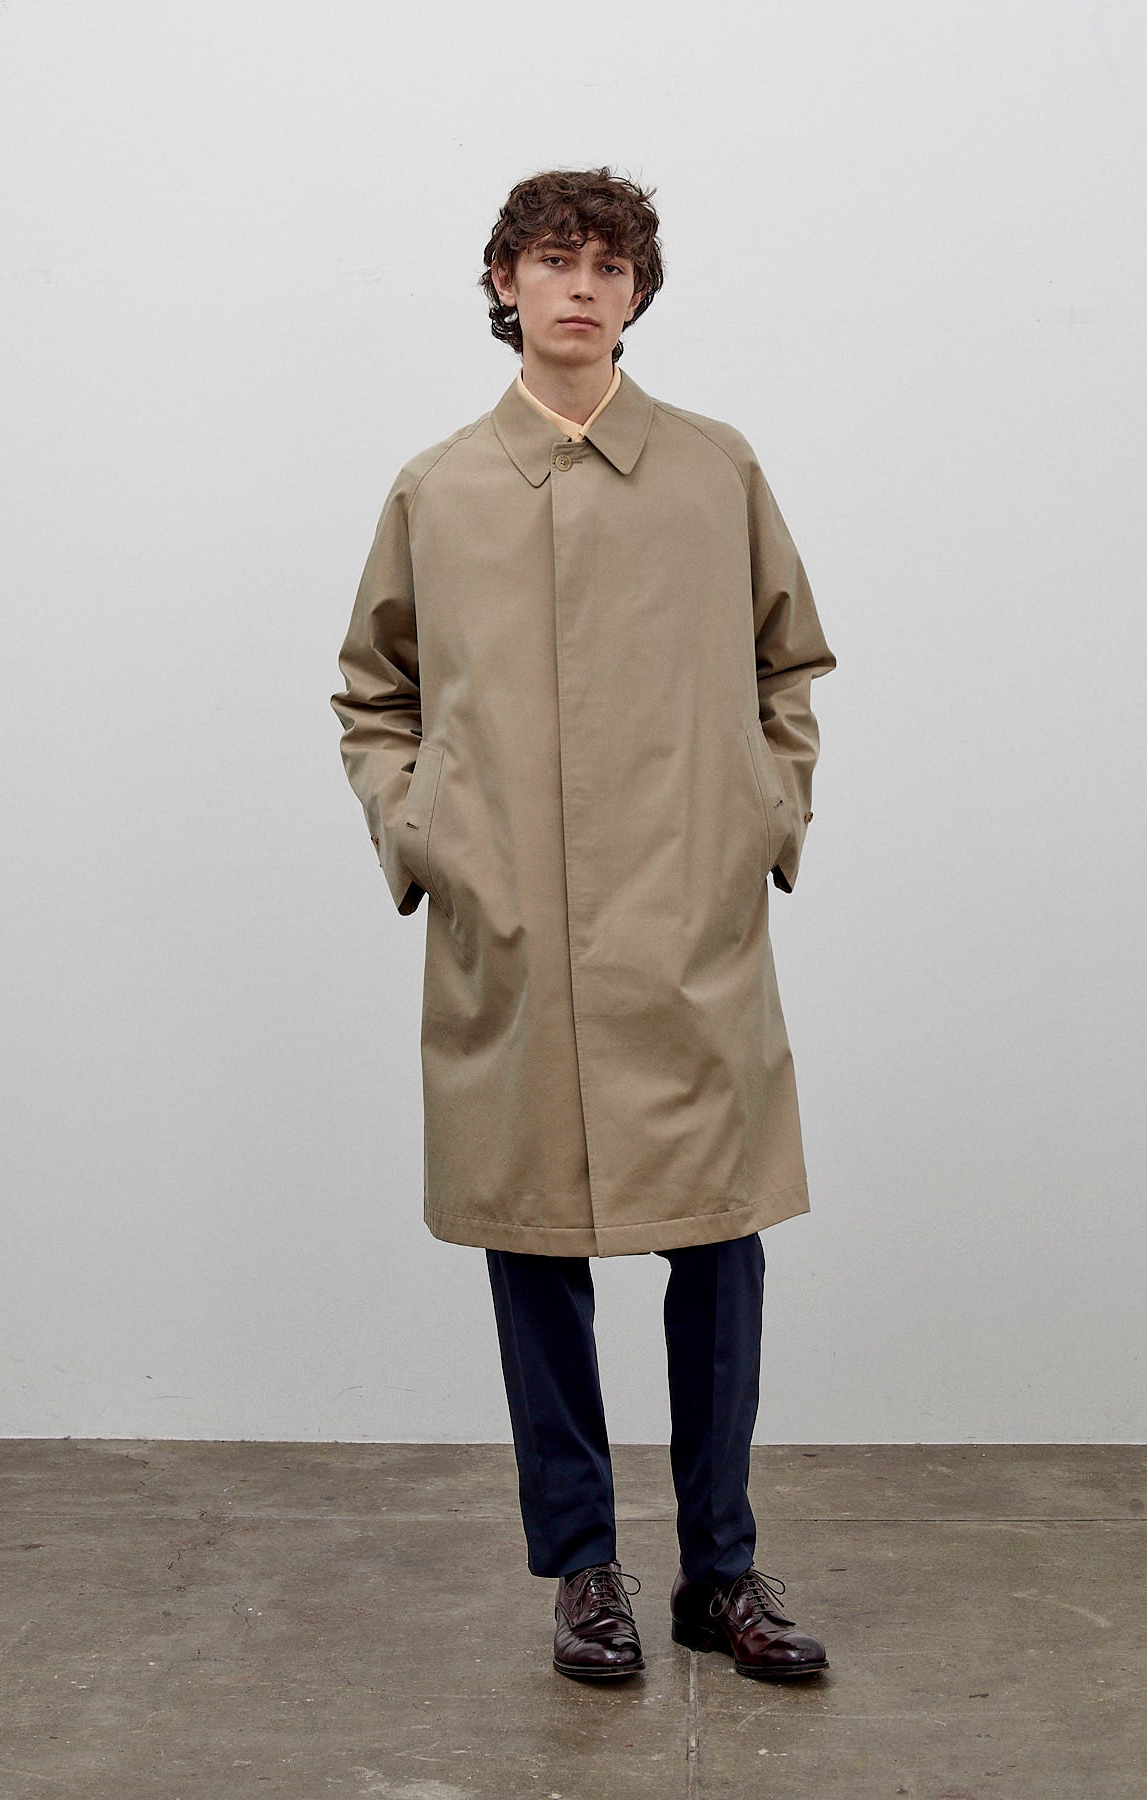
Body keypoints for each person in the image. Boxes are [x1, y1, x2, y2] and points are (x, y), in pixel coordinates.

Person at [330, 166, 837, 1682]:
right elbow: (375, 693)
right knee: (533, 1249)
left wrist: (762, 817)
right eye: (554, 260)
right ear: (504, 283)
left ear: (637, 293)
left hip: (689, 925)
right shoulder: (439, 488)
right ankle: (584, 1569)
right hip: (518, 936)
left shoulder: (713, 469)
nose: (581, 286)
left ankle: (719, 1570)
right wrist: (429, 835)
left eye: (610, 264)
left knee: (721, 1241)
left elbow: (789, 666)